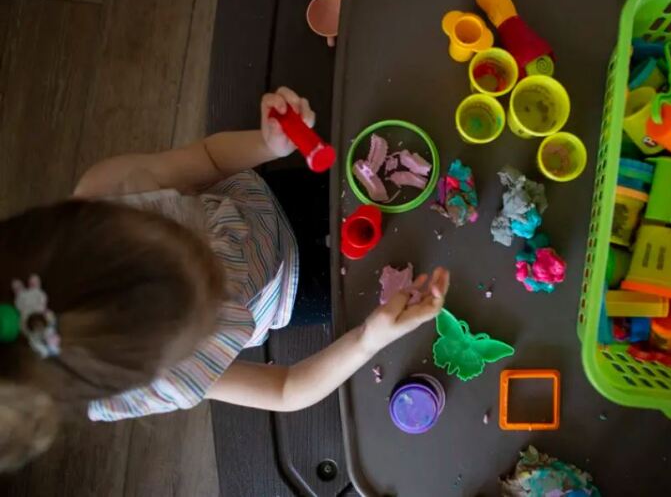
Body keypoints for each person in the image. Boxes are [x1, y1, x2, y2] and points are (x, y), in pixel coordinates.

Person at [0, 87, 449, 472]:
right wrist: (368, 339)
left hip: (268, 201)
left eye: (185, 234)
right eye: (214, 301)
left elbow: (209, 158)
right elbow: (286, 388)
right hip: (290, 293)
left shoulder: (107, 189)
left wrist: (268, 144)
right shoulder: (159, 381)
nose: (217, 260)